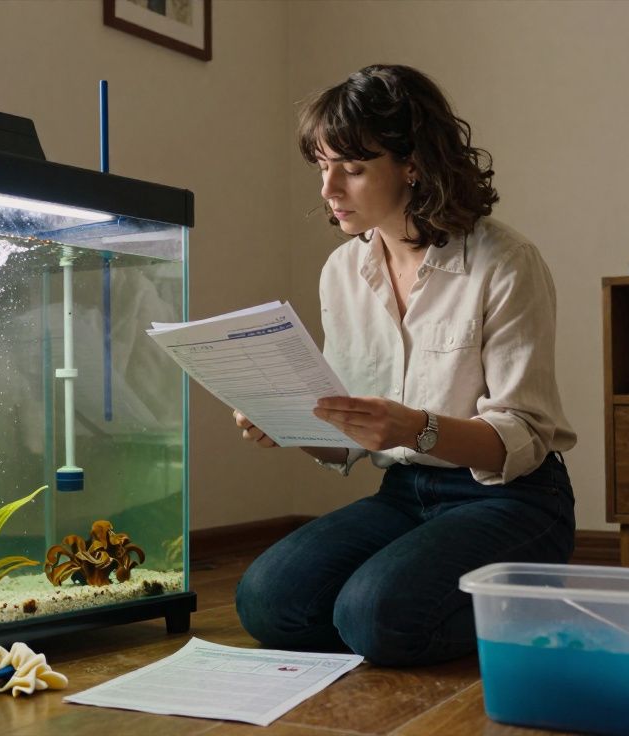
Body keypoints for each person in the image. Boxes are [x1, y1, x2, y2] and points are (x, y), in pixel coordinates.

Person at [232, 64, 576, 667]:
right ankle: (413, 603)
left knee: (372, 613)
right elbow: (352, 439)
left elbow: (522, 438)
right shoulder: (342, 271)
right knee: (267, 601)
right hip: (405, 491)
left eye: (353, 169)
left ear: (412, 164)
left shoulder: (506, 261)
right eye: (322, 166)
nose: (328, 189)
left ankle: (524, 598)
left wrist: (415, 427)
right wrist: (289, 426)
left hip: (513, 500)